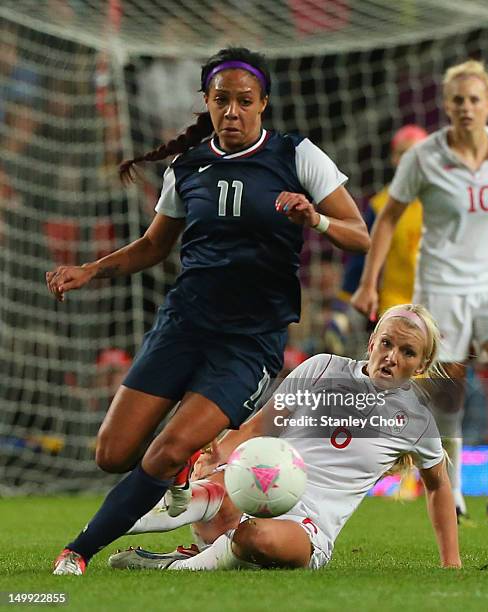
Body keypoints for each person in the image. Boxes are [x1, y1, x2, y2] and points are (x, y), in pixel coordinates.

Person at [47, 46, 370, 575]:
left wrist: (316, 220)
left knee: (168, 449)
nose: (233, 112)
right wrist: (91, 270)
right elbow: (154, 247)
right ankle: (176, 485)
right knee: (111, 453)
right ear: (207, 101)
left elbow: (359, 234)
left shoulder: (297, 156)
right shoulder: (189, 165)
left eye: (245, 101)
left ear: (263, 103)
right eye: (222, 100)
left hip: (249, 341)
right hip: (184, 325)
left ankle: (78, 550)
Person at [108, 304, 461, 571]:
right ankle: (102, 530)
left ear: (422, 365)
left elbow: (438, 485)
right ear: (371, 343)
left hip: (307, 528)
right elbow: (261, 426)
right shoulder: (323, 369)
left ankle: (174, 567)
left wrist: (452, 562)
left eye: (407, 352)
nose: (391, 357)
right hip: (256, 487)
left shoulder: (415, 422)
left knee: (254, 539)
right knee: (214, 488)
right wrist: (216, 457)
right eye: (386, 343)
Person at [351, 60, 488, 522]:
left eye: (474, 99)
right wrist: (368, 282)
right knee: (450, 397)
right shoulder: (424, 157)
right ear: (446, 105)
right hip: (441, 286)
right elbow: (387, 218)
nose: (466, 107)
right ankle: (454, 488)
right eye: (458, 100)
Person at [325, 124, 428, 359]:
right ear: (393, 158)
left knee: (450, 384)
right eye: (404, 153)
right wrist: (342, 309)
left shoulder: (445, 199)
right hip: (396, 306)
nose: (410, 159)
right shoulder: (380, 206)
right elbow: (361, 258)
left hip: (440, 303)